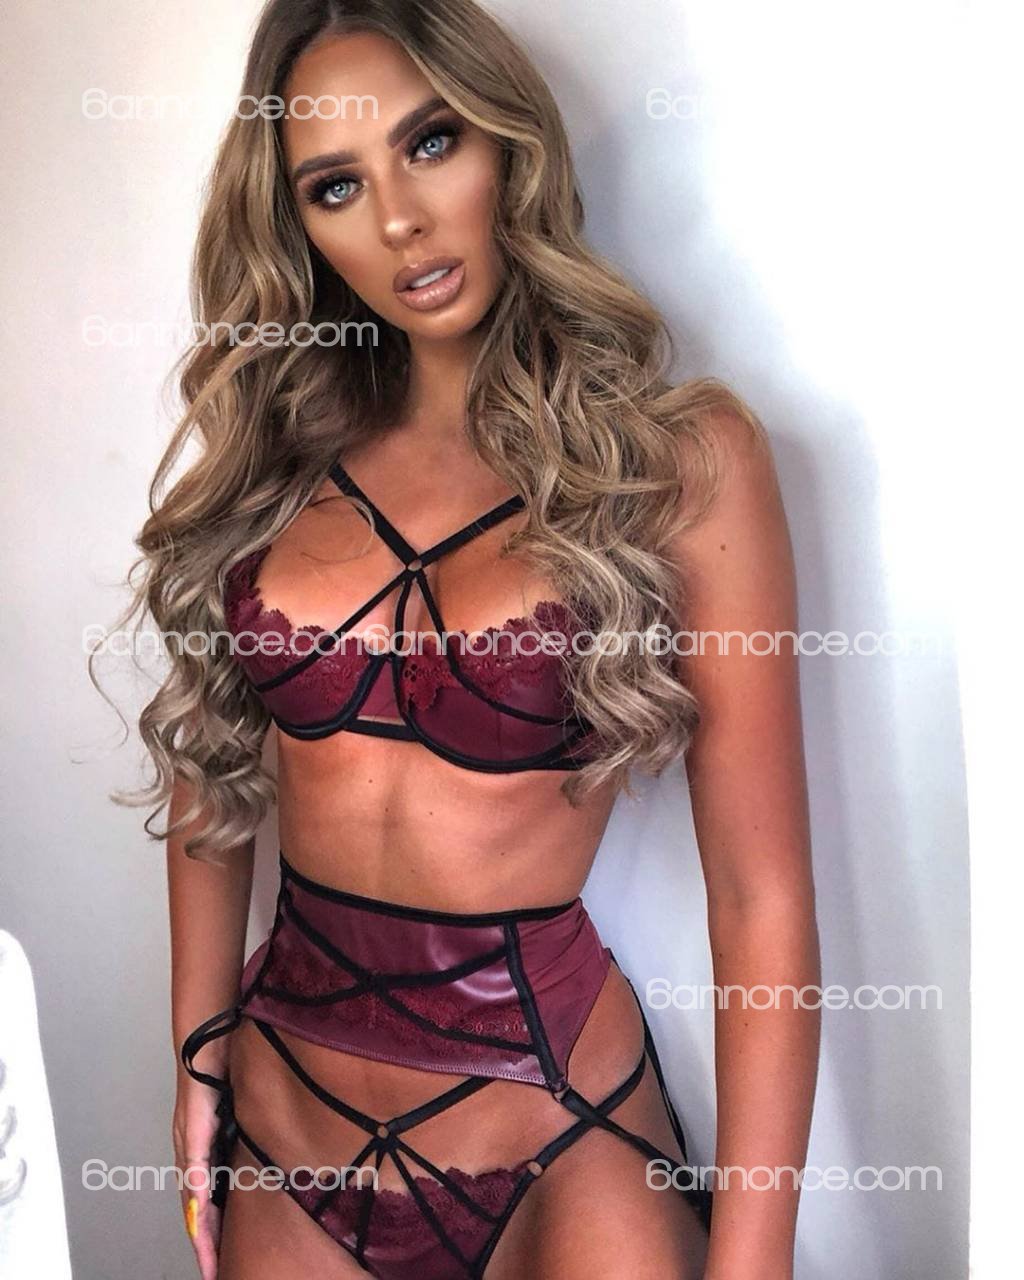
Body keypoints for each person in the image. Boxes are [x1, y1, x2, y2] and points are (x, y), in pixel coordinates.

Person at [122, 1, 819, 1275]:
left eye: (431, 142)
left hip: (559, 1135)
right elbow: (209, 774)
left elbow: (758, 895)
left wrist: (754, 1256)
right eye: (336, 185)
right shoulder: (275, 465)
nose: (397, 219)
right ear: (297, 224)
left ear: (509, 142)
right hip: (288, 1133)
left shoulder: (677, 460)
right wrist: (196, 1054)